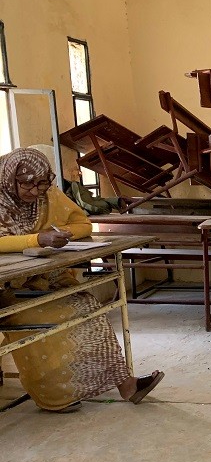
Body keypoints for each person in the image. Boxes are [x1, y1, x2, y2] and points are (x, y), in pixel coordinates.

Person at [0, 148, 164, 412]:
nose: (34, 192)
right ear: (9, 179)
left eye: (41, 184)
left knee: (88, 307)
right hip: (7, 290)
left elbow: (83, 225)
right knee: (40, 321)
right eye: (26, 184)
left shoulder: (47, 196)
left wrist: (61, 232)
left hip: (43, 280)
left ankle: (126, 384)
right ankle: (54, 398)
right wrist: (37, 239)